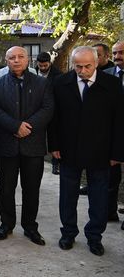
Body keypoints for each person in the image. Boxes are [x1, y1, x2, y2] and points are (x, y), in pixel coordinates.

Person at [49, 46, 124, 256]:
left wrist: (117, 153)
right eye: (78, 66)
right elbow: (54, 119)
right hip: (69, 149)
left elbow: (119, 121)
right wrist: (54, 146)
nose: (82, 70)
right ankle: (68, 233)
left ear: (97, 62)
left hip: (101, 150)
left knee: (99, 196)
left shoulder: (112, 84)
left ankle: (95, 237)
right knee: (67, 195)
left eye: (87, 66)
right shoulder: (61, 83)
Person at [0, 46, 54, 245]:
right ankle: (6, 224)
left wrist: (28, 127)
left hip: (32, 146)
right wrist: (15, 126)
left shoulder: (42, 83)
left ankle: (30, 227)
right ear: (6, 61)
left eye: (20, 57)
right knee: (6, 189)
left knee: (31, 189)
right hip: (6, 146)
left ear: (28, 60)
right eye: (12, 58)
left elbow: (48, 108)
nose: (16, 60)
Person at [102, 41, 124, 227]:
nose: (118, 57)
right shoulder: (105, 76)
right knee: (111, 175)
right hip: (111, 135)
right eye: (115, 53)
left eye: (122, 53)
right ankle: (109, 212)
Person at [34, 52, 62, 175]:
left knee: (54, 137)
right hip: (35, 110)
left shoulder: (58, 75)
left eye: (45, 65)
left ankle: (56, 164)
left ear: (50, 63)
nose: (43, 68)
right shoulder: (31, 72)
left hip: (53, 110)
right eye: (41, 66)